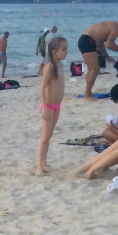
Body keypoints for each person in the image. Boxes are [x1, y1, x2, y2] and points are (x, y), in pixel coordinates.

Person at [77, 19, 118, 100]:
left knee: (92, 70)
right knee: (94, 69)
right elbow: (109, 44)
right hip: (87, 41)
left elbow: (100, 43)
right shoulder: (116, 27)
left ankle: (88, 92)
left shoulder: (112, 25)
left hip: (86, 40)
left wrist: (106, 56)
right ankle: (87, 95)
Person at [36, 36, 68, 173]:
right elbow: (42, 87)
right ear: (54, 51)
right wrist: (44, 107)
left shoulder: (59, 65)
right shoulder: (49, 66)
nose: (66, 52)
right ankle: (40, 165)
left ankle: (44, 163)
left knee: (49, 135)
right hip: (48, 105)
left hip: (57, 105)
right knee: (45, 136)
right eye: (64, 49)